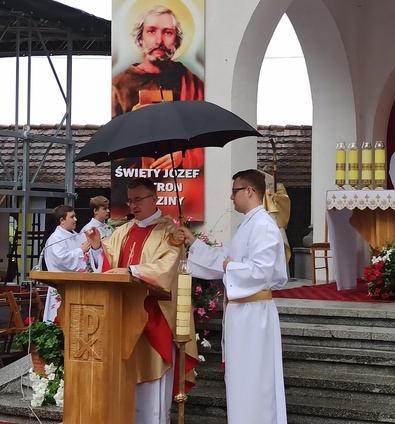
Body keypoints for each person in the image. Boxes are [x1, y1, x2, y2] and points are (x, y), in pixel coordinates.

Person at [178, 169, 288, 424]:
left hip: (254, 315)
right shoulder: (249, 224)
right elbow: (227, 259)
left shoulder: (263, 225)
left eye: (235, 190)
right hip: (242, 313)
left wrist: (230, 267)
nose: (231, 197)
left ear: (249, 191)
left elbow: (261, 270)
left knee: (255, 381)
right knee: (241, 381)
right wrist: (194, 243)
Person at [84, 178, 197, 424]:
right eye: (130, 201)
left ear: (154, 199)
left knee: (151, 392)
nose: (133, 206)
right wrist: (96, 248)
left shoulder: (170, 232)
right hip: (125, 318)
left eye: (138, 200)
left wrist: (132, 271)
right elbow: (109, 261)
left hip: (154, 318)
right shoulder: (123, 230)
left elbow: (167, 268)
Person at [112, 5, 204, 170]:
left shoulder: (190, 81)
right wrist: (134, 125)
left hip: (183, 186)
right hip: (135, 183)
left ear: (176, 40)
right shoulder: (119, 85)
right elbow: (115, 152)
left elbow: (202, 134)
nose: (159, 41)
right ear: (140, 38)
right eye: (151, 31)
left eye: (167, 32)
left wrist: (182, 153)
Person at [42, 205, 92, 322]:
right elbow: (62, 259)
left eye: (75, 216)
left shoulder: (75, 235)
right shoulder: (56, 238)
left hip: (75, 286)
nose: (75, 219)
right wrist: (81, 251)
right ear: (62, 220)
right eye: (72, 216)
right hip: (60, 286)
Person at [262, 164, 292, 266]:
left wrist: (275, 196)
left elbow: (285, 200)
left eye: (271, 173)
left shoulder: (279, 187)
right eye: (267, 173)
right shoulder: (260, 188)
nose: (270, 175)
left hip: (276, 219)